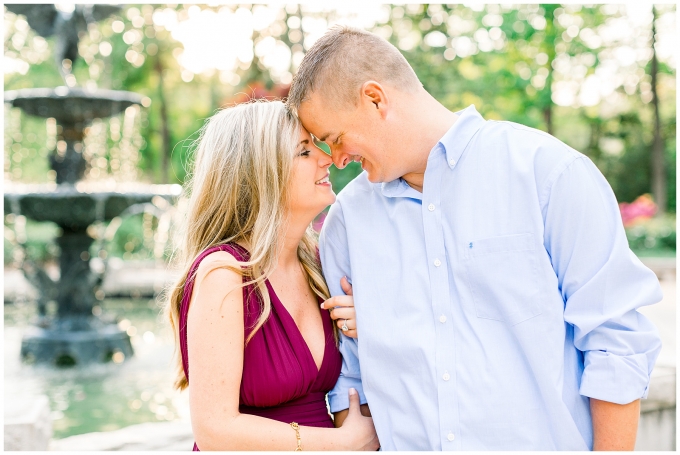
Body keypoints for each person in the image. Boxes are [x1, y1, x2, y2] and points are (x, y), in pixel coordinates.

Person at [287, 26, 663, 451]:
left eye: (336, 139)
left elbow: (615, 342)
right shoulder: (347, 223)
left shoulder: (549, 175)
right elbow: (352, 381)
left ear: (375, 99)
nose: (335, 160)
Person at [164, 100, 379, 451]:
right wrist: (341, 443)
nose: (326, 158)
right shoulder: (225, 274)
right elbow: (214, 430)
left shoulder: (316, 264)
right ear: (262, 172)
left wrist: (369, 322)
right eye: (304, 151)